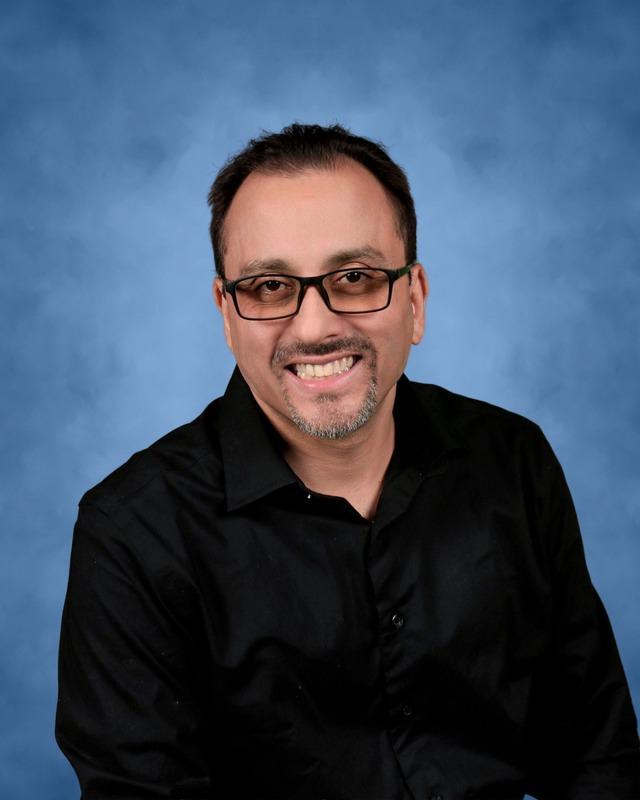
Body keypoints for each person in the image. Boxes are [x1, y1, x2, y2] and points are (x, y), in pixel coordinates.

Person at [56, 123, 640, 800]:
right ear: (226, 313)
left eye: (355, 277)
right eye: (270, 286)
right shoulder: (133, 535)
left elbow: (601, 762)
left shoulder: (512, 461)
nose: (313, 327)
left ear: (415, 300)